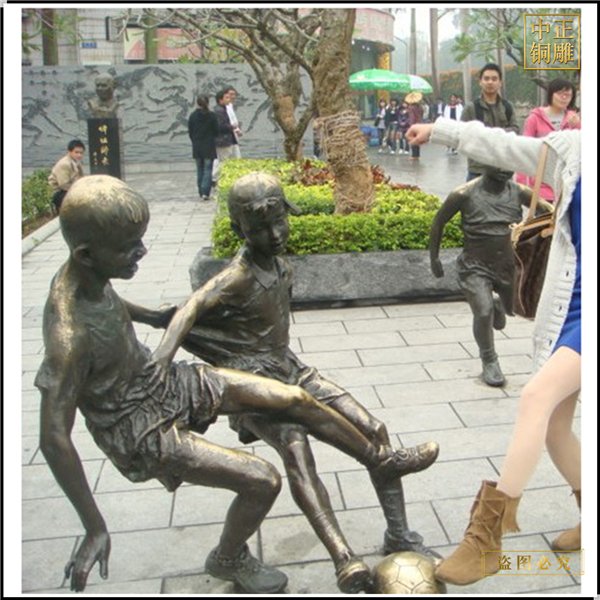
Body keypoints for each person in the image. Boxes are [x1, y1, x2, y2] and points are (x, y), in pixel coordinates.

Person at [36, 174, 433, 594]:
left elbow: (108, 301)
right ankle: (230, 556)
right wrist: (94, 526)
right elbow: (53, 439)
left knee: (296, 398)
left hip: (164, 383)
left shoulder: (89, 275)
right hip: (138, 426)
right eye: (129, 247)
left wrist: (151, 317)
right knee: (264, 479)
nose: (143, 251)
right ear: (85, 254)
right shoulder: (68, 337)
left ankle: (381, 463)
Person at [149, 172, 442, 592]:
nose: (274, 235)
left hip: (293, 371)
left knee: (374, 428)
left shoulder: (282, 267)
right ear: (240, 230)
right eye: (260, 229)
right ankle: (344, 558)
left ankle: (398, 533)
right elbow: (192, 306)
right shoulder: (237, 276)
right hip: (255, 388)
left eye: (279, 222)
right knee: (297, 450)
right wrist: (163, 355)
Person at [407, 118, 581, 585]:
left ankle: (486, 539)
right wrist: (439, 130)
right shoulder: (577, 151)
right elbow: (506, 146)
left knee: (535, 398)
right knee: (555, 425)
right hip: (571, 304)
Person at [429, 166, 552, 387]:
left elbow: (548, 210)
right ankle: (489, 359)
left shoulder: (520, 192)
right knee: (483, 312)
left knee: (513, 309)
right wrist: (434, 258)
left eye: (508, 163)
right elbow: (438, 223)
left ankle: (499, 305)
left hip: (508, 266)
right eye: (498, 163)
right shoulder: (463, 194)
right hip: (474, 267)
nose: (505, 169)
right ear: (484, 162)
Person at [516, 78, 581, 202]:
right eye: (560, 93)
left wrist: (578, 125)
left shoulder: (573, 119)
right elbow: (525, 150)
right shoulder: (535, 118)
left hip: (566, 185)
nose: (564, 98)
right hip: (541, 185)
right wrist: (522, 184)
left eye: (568, 95)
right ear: (551, 94)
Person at [461, 63, 519, 181]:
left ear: (500, 82)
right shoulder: (471, 108)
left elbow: (515, 130)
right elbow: (462, 133)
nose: (490, 82)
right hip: (478, 170)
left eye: (494, 79)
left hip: (503, 169)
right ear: (480, 81)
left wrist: (493, 134)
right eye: (486, 78)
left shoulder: (507, 107)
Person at [188, 94, 218, 201]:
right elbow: (216, 131)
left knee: (199, 168)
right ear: (208, 103)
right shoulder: (212, 116)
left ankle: (201, 191)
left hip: (197, 146)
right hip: (209, 145)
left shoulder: (193, 116)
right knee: (208, 169)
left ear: (197, 103)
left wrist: (195, 140)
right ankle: (205, 192)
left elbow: (190, 132)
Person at [48, 139, 85, 213]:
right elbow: (63, 185)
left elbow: (81, 178)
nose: (79, 155)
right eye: (76, 152)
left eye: (81, 153)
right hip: (58, 193)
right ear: (69, 152)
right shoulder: (64, 164)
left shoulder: (77, 162)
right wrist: (79, 191)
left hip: (70, 190)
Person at [212, 89, 239, 185]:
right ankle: (214, 178)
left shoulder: (222, 109)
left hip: (224, 139)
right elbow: (221, 126)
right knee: (223, 161)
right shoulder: (220, 111)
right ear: (220, 100)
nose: (229, 99)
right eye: (226, 98)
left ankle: (215, 178)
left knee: (222, 160)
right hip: (223, 140)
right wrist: (231, 127)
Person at [224, 86, 243, 159]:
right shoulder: (225, 108)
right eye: (231, 94)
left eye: (234, 94)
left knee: (236, 156)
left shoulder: (230, 106)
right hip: (228, 136)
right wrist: (236, 129)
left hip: (233, 135)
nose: (233, 97)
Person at [405, 92, 423, 161]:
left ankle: (414, 155)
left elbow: (411, 117)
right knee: (417, 140)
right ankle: (417, 155)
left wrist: (410, 126)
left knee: (412, 140)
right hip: (419, 124)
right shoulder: (420, 107)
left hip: (414, 125)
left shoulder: (411, 107)